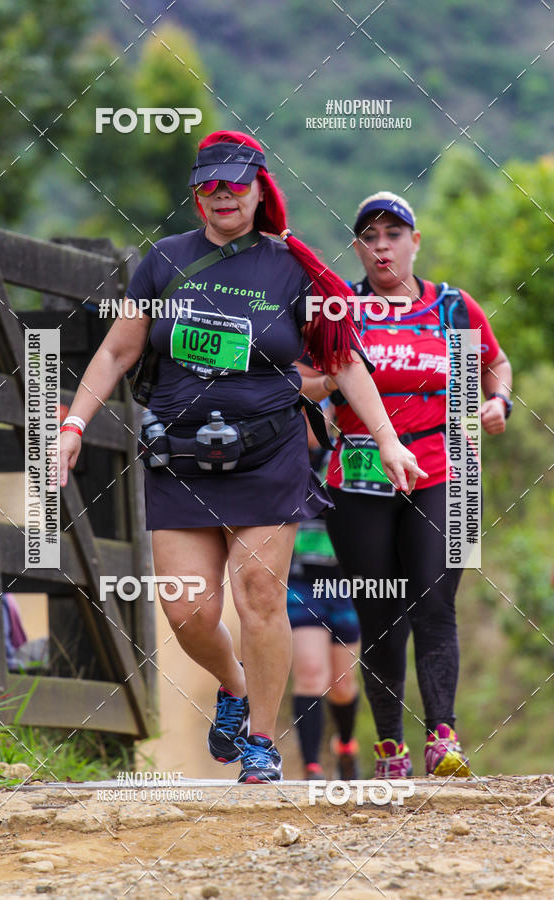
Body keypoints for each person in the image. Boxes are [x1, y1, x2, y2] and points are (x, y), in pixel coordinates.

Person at [59, 142, 423, 784]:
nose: (223, 195)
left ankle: (260, 741)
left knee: (259, 597)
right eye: (210, 187)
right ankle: (233, 685)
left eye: (235, 185)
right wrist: (72, 423)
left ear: (260, 191)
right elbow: (117, 354)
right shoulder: (165, 261)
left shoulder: (293, 269)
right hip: (179, 456)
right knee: (187, 610)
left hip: (268, 454)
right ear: (197, 194)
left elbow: (342, 362)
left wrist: (390, 441)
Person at [300, 191, 512, 778]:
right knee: (380, 611)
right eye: (369, 236)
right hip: (360, 473)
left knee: (435, 602)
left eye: (393, 234)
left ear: (415, 242)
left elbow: (493, 362)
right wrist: (329, 383)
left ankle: (443, 738)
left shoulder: (452, 307)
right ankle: (390, 746)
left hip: (448, 470)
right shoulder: (340, 309)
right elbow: (303, 379)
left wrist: (498, 401)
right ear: (358, 248)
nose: (381, 246)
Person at [288, 431, 361, 782]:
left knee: (343, 683)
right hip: (300, 580)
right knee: (311, 672)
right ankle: (312, 769)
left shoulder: (354, 453)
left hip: (345, 582)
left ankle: (346, 746)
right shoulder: (284, 450)